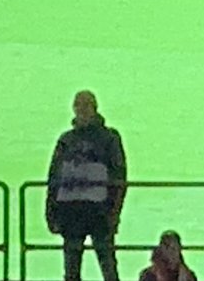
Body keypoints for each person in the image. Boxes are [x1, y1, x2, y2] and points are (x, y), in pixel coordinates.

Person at [46, 91, 128, 281]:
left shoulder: (109, 138)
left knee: (108, 268)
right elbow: (54, 177)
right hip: (71, 213)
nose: (82, 110)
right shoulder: (66, 140)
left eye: (86, 105)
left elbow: (119, 176)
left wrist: (115, 212)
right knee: (71, 271)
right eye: (79, 105)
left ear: (94, 108)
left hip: (101, 212)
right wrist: (51, 211)